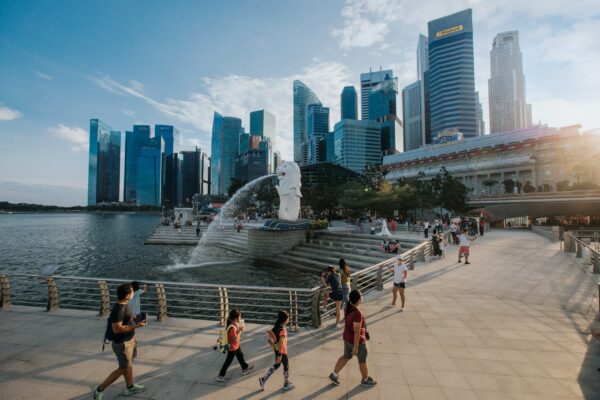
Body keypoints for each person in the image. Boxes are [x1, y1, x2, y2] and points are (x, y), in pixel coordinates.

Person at [92, 284, 146, 399]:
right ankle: (99, 389)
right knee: (123, 368)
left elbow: (128, 320)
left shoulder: (126, 304)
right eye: (132, 291)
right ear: (127, 295)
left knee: (128, 364)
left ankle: (130, 387)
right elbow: (116, 329)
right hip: (122, 344)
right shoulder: (119, 309)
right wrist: (136, 326)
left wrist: (136, 319)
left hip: (130, 340)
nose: (133, 293)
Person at [328, 289, 376, 388]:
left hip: (347, 338)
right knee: (362, 360)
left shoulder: (347, 307)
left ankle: (334, 374)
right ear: (359, 300)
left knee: (346, 356)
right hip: (357, 341)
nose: (362, 296)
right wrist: (356, 347)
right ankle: (365, 379)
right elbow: (357, 331)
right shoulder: (357, 313)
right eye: (361, 295)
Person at [258, 311, 294, 391]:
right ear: (285, 320)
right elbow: (281, 342)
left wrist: (276, 352)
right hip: (282, 352)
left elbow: (270, 341)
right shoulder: (282, 330)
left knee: (277, 365)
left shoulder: (275, 328)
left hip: (277, 350)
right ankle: (286, 383)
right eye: (288, 318)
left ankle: (263, 379)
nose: (289, 319)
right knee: (286, 366)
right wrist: (280, 354)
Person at [217, 309, 254, 381]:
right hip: (233, 347)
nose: (241, 317)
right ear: (236, 318)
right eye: (240, 316)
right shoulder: (232, 328)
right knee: (228, 361)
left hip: (236, 346)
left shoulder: (233, 324)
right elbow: (235, 338)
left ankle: (245, 368)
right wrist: (240, 331)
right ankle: (221, 376)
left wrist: (239, 329)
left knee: (240, 356)